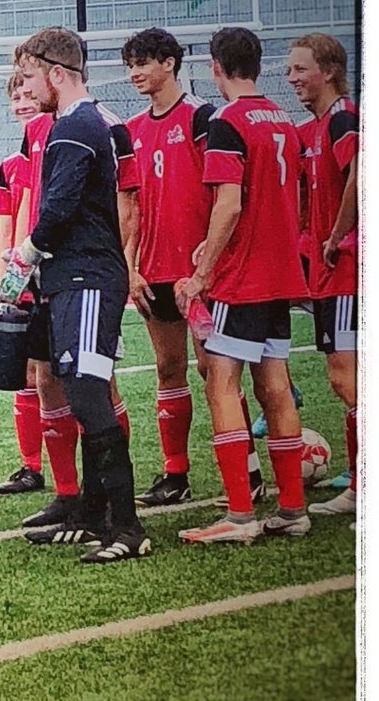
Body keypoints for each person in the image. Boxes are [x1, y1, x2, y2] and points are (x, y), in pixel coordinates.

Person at [0, 27, 151, 563]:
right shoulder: (76, 125)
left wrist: (23, 258)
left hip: (88, 277)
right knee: (77, 390)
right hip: (73, 277)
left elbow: (59, 209)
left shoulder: (76, 126)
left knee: (87, 394)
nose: (26, 86)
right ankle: (91, 511)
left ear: (57, 74)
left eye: (31, 76)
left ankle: (126, 526)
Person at [120, 28, 269, 508]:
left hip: (201, 274)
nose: (135, 73)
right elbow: (131, 206)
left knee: (214, 370)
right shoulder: (132, 129)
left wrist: (209, 262)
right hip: (153, 271)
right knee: (168, 368)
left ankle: (248, 473)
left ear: (169, 64)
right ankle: (175, 473)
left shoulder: (203, 118)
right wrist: (130, 266)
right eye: (130, 65)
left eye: (143, 63)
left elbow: (225, 194)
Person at [176, 27, 310, 543]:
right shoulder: (284, 120)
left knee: (221, 384)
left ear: (216, 67)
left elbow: (229, 204)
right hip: (281, 273)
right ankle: (292, 509)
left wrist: (203, 271)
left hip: (243, 277)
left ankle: (239, 515)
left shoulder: (227, 121)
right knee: (275, 385)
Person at [286, 33, 359, 518]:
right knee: (344, 379)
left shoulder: (343, 119)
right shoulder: (314, 127)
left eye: (300, 69)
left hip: (347, 268)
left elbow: (360, 173)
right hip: (329, 270)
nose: (291, 78)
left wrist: (337, 235)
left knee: (347, 378)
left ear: (329, 71)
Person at [0, 72, 46, 497]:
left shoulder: (58, 149)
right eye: (16, 98)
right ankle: (32, 466)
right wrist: (3, 286)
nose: (23, 104)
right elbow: (5, 230)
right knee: (26, 374)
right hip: (22, 278)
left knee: (73, 376)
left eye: (29, 95)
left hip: (59, 275)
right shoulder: (10, 166)